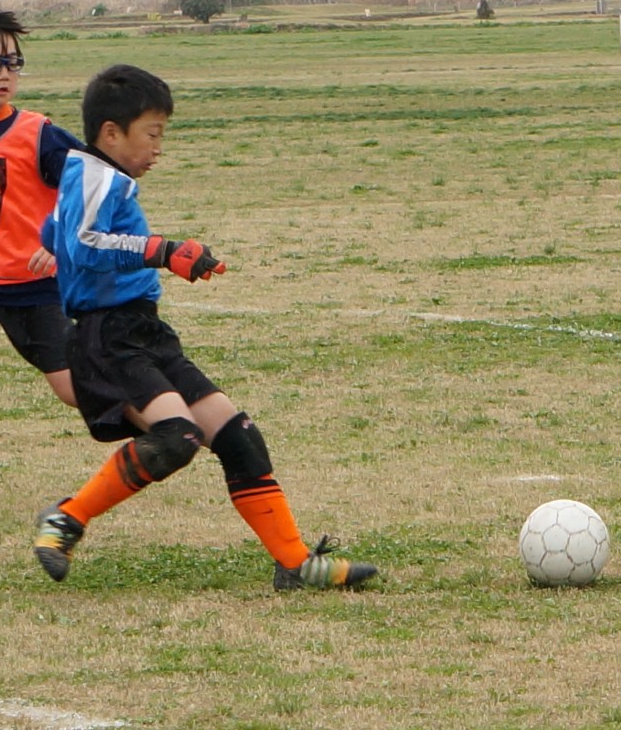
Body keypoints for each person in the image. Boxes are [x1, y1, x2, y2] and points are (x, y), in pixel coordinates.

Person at [33, 64, 378, 590]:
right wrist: (163, 251)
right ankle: (67, 518)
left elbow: (57, 232)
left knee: (237, 436)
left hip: (142, 330)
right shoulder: (96, 174)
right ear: (111, 132)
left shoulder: (94, 174)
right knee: (177, 437)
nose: (158, 148)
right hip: (108, 337)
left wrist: (57, 245)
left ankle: (295, 563)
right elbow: (84, 242)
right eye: (152, 134)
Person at [0, 7, 82, 407]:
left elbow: (97, 183)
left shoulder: (37, 134)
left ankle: (172, 424)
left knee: (76, 389)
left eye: (12, 62)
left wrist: (59, 236)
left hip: (30, 285)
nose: (4, 73)